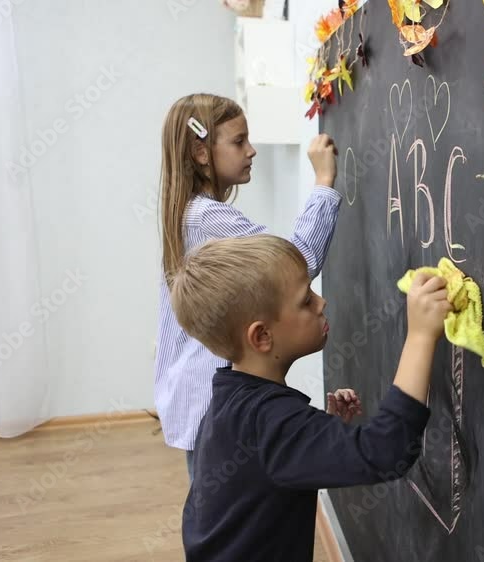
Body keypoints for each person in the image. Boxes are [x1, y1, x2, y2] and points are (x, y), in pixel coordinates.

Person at [168, 234, 452, 561]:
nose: (321, 303)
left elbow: (267, 465)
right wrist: (420, 335)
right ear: (262, 336)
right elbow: (386, 450)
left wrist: (325, 431)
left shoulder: (228, 399)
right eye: (305, 301)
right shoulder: (273, 422)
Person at [153, 93, 342, 479]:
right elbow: (295, 263)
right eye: (239, 142)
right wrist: (323, 181)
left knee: (217, 505)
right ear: (201, 153)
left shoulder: (188, 211)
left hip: (195, 393)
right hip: (209, 397)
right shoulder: (207, 218)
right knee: (222, 507)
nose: (251, 151)